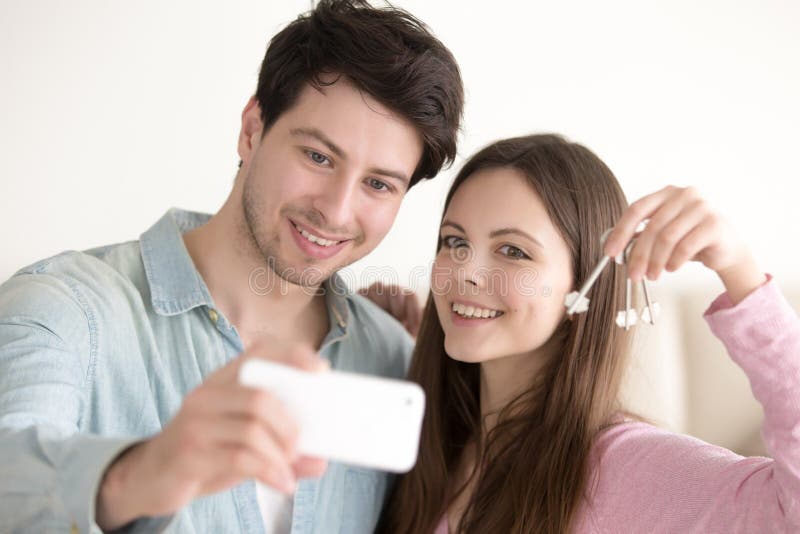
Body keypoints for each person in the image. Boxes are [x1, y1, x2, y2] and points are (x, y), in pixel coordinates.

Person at [0, 1, 463, 532]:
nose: (336, 211)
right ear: (251, 130)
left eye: (378, 184)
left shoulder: (392, 357)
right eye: (317, 156)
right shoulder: (63, 309)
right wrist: (139, 474)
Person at [379, 134, 799, 533]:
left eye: (513, 250)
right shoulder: (438, 437)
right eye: (454, 241)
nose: (463, 273)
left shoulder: (621, 467)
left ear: (584, 286)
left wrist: (739, 269)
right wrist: (372, 341)